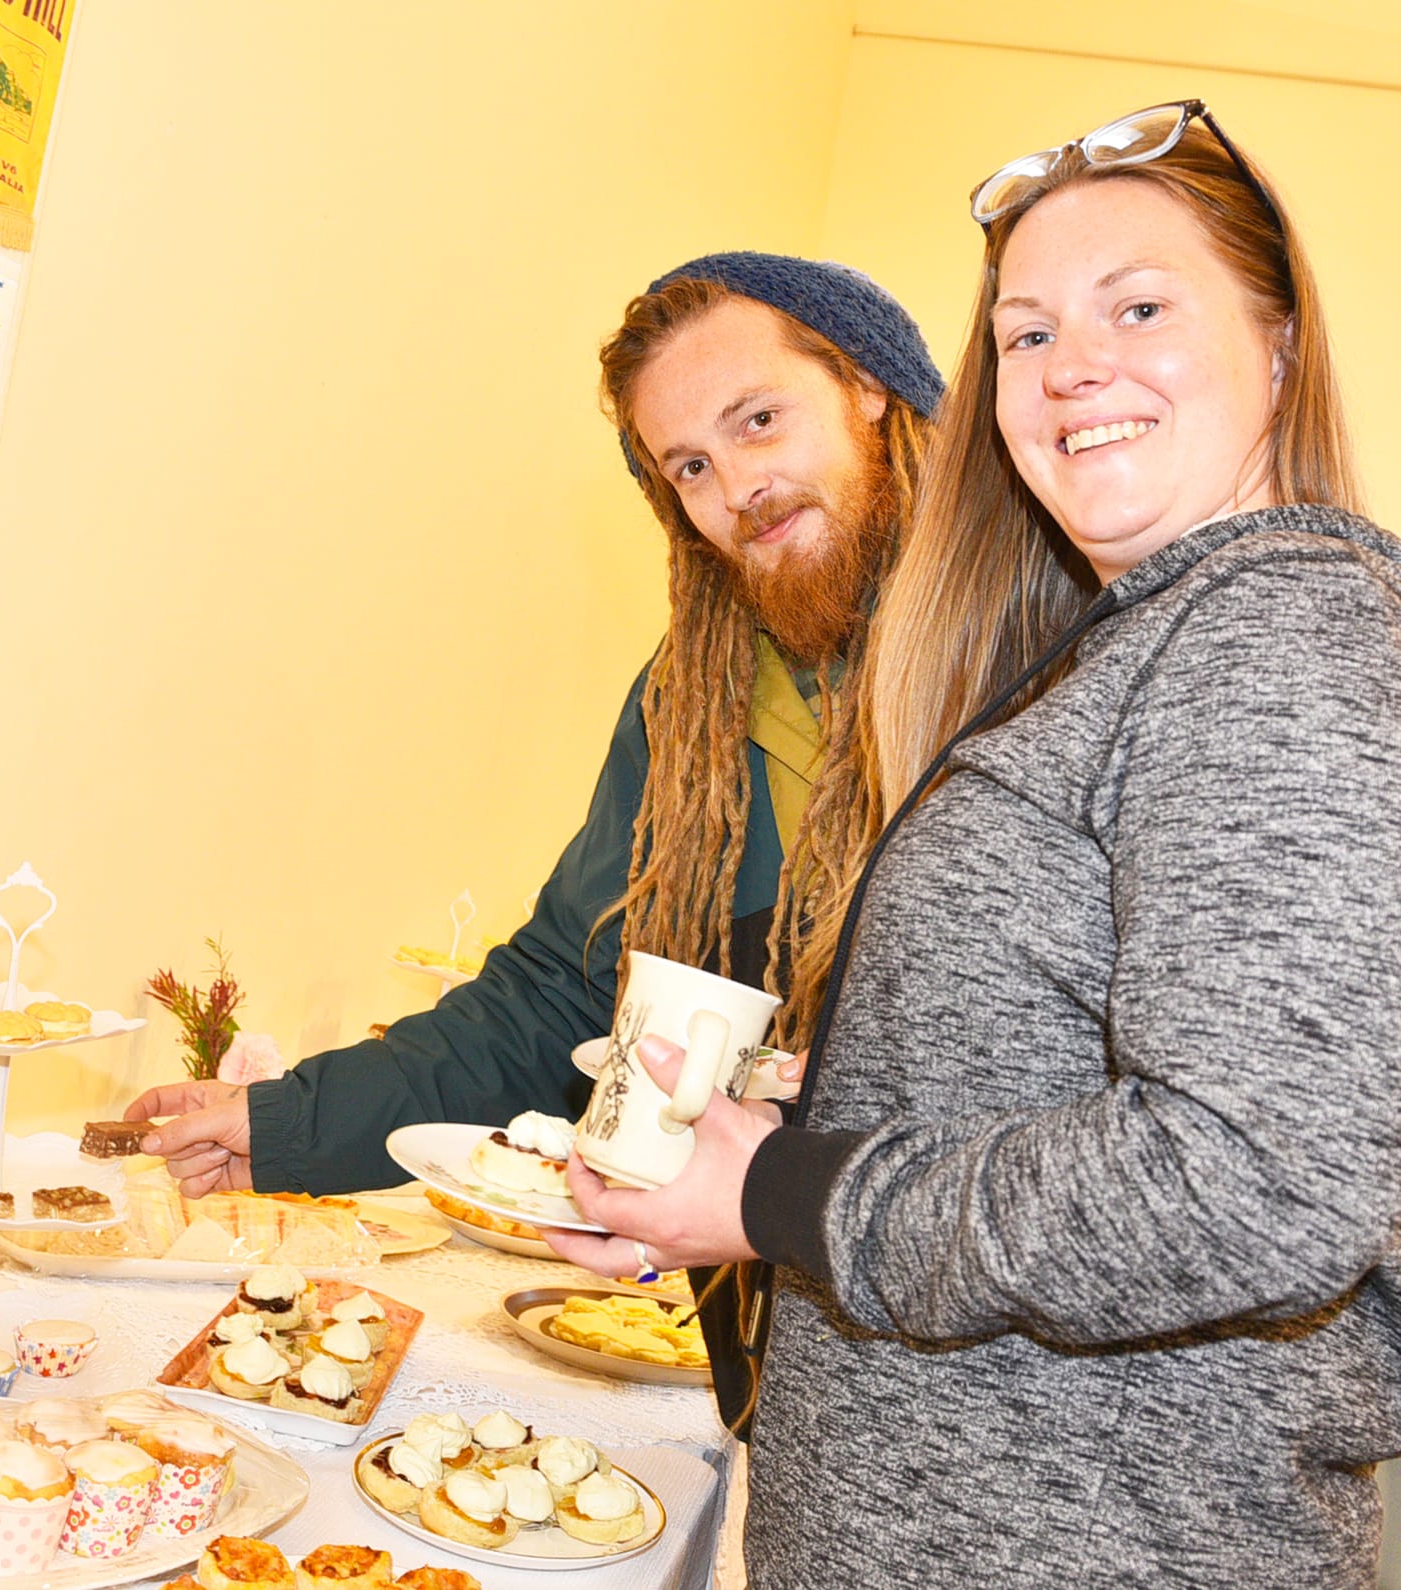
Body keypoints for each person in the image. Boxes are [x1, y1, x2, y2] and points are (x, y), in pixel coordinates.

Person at [551, 101, 1401, 1584]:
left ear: (1276, 344)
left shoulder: (1277, 632)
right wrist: (847, 1099)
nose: (1073, 367)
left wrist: (778, 1191)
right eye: (1026, 333)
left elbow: (1256, 1182)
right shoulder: (1126, 650)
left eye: (1138, 307)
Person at [126, 252, 943, 1430]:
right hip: (801, 1387)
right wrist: (286, 1123)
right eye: (688, 467)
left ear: (869, 387)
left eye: (758, 420)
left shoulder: (1042, 654)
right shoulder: (697, 704)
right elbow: (559, 991)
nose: (737, 488)